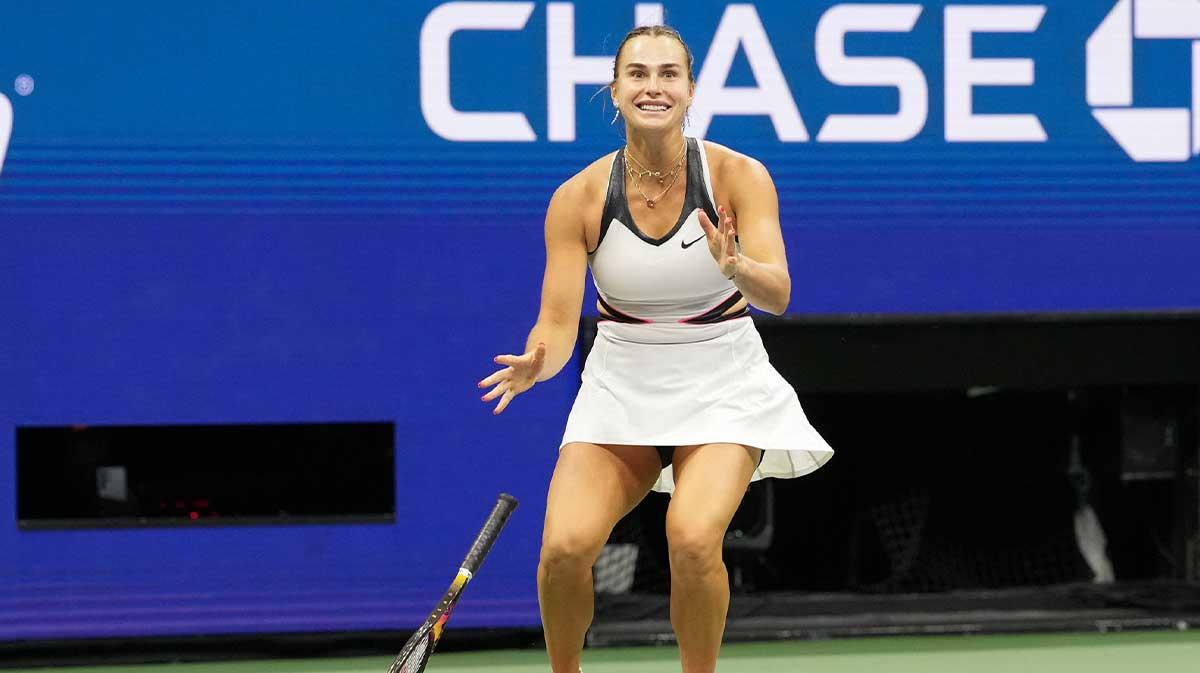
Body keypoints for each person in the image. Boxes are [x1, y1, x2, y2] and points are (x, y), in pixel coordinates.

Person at [477, 24, 833, 673]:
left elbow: (777, 293)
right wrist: (538, 361)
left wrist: (738, 269)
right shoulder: (578, 198)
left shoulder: (738, 176)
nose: (653, 86)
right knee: (563, 548)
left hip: (722, 379)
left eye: (668, 74)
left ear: (690, 89)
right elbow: (556, 327)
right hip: (621, 382)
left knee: (693, 538)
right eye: (638, 74)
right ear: (614, 91)